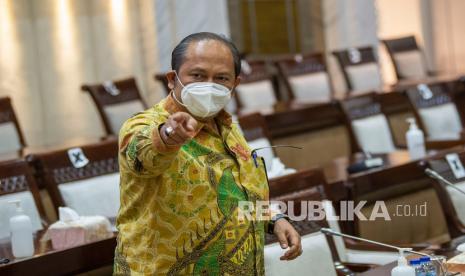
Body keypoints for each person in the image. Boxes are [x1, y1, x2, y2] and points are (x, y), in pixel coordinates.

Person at [114, 32, 302, 275]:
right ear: (172, 79)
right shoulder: (142, 125)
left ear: (235, 85)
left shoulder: (229, 128)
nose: (209, 85)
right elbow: (143, 156)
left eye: (221, 78)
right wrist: (168, 135)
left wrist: (274, 219)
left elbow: (237, 192)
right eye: (198, 75)